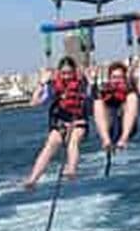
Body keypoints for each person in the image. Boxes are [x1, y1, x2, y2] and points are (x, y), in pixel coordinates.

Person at [23, 56, 90, 188]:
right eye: (64, 73)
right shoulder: (53, 87)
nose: (67, 77)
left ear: (74, 72)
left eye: (69, 73)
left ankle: (71, 170)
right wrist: (42, 83)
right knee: (50, 144)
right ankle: (33, 179)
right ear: (59, 73)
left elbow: (92, 97)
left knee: (73, 140)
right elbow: (34, 102)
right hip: (60, 123)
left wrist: (91, 80)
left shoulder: (82, 84)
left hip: (78, 122)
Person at [92, 59, 140, 152]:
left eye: (120, 77)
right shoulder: (103, 93)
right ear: (109, 79)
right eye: (114, 77)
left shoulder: (130, 92)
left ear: (125, 79)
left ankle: (123, 139)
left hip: (125, 129)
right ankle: (106, 141)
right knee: (98, 101)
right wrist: (93, 80)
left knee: (132, 98)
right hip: (109, 127)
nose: (117, 81)